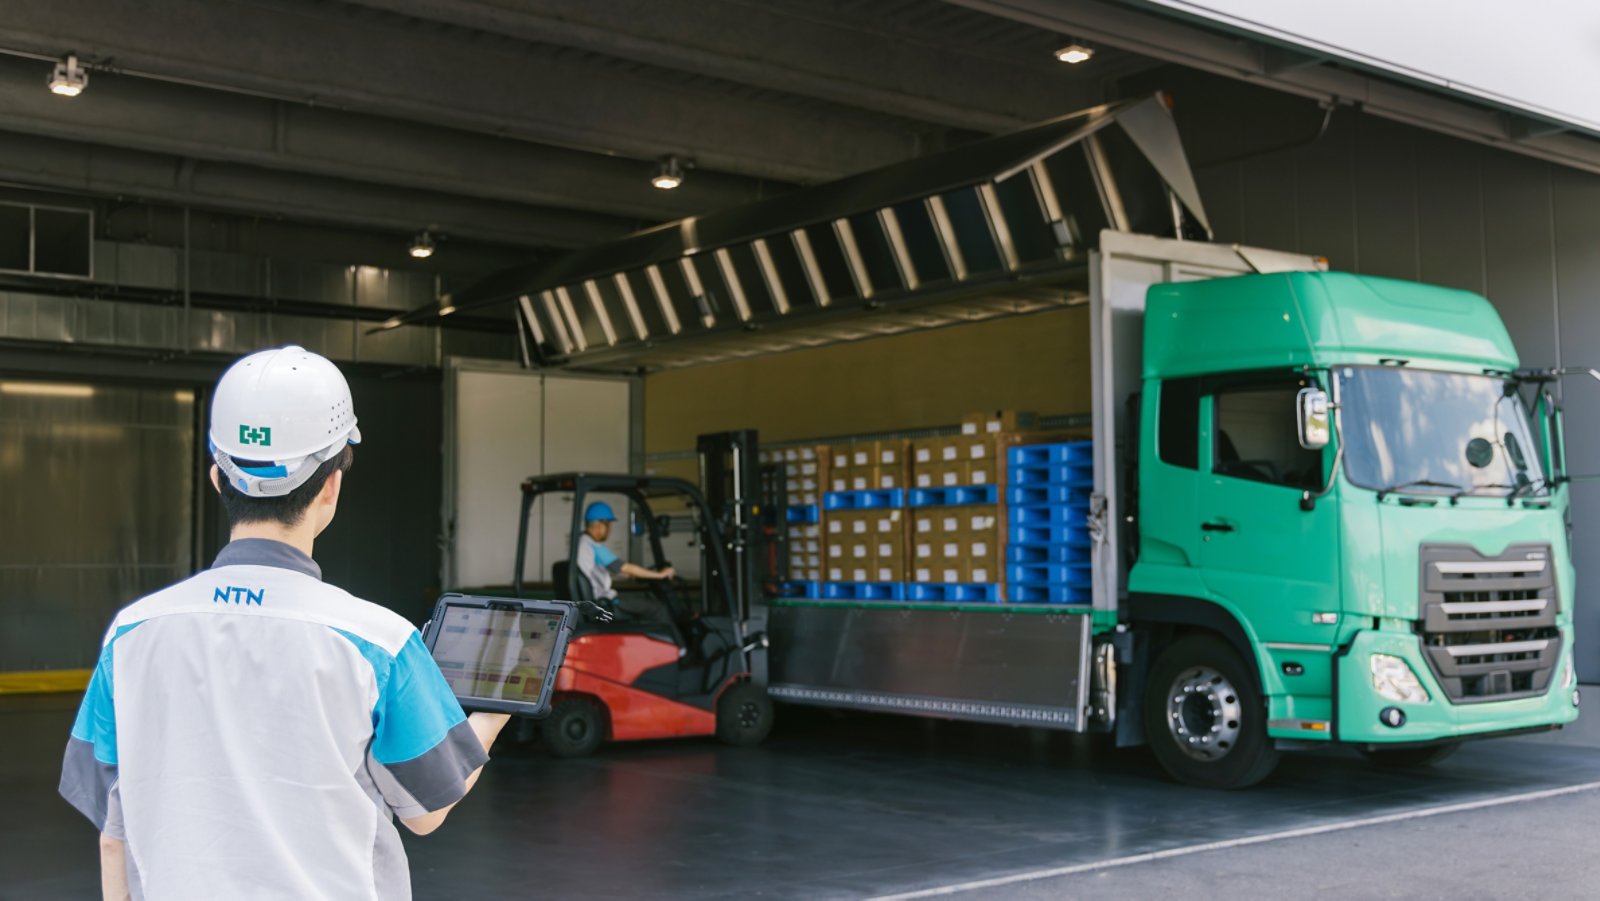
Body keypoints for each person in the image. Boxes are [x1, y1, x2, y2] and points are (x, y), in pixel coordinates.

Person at [59, 345, 510, 901]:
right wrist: (491, 714)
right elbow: (428, 810)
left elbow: (114, 828)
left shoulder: (132, 633)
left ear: (218, 479)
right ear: (330, 487)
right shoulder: (379, 642)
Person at [575, 501, 675, 602]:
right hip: (602, 601)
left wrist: (635, 574)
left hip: (595, 599)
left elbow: (620, 571)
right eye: (608, 525)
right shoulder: (593, 547)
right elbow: (626, 568)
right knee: (655, 608)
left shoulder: (582, 542)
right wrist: (661, 575)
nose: (610, 530)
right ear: (599, 525)